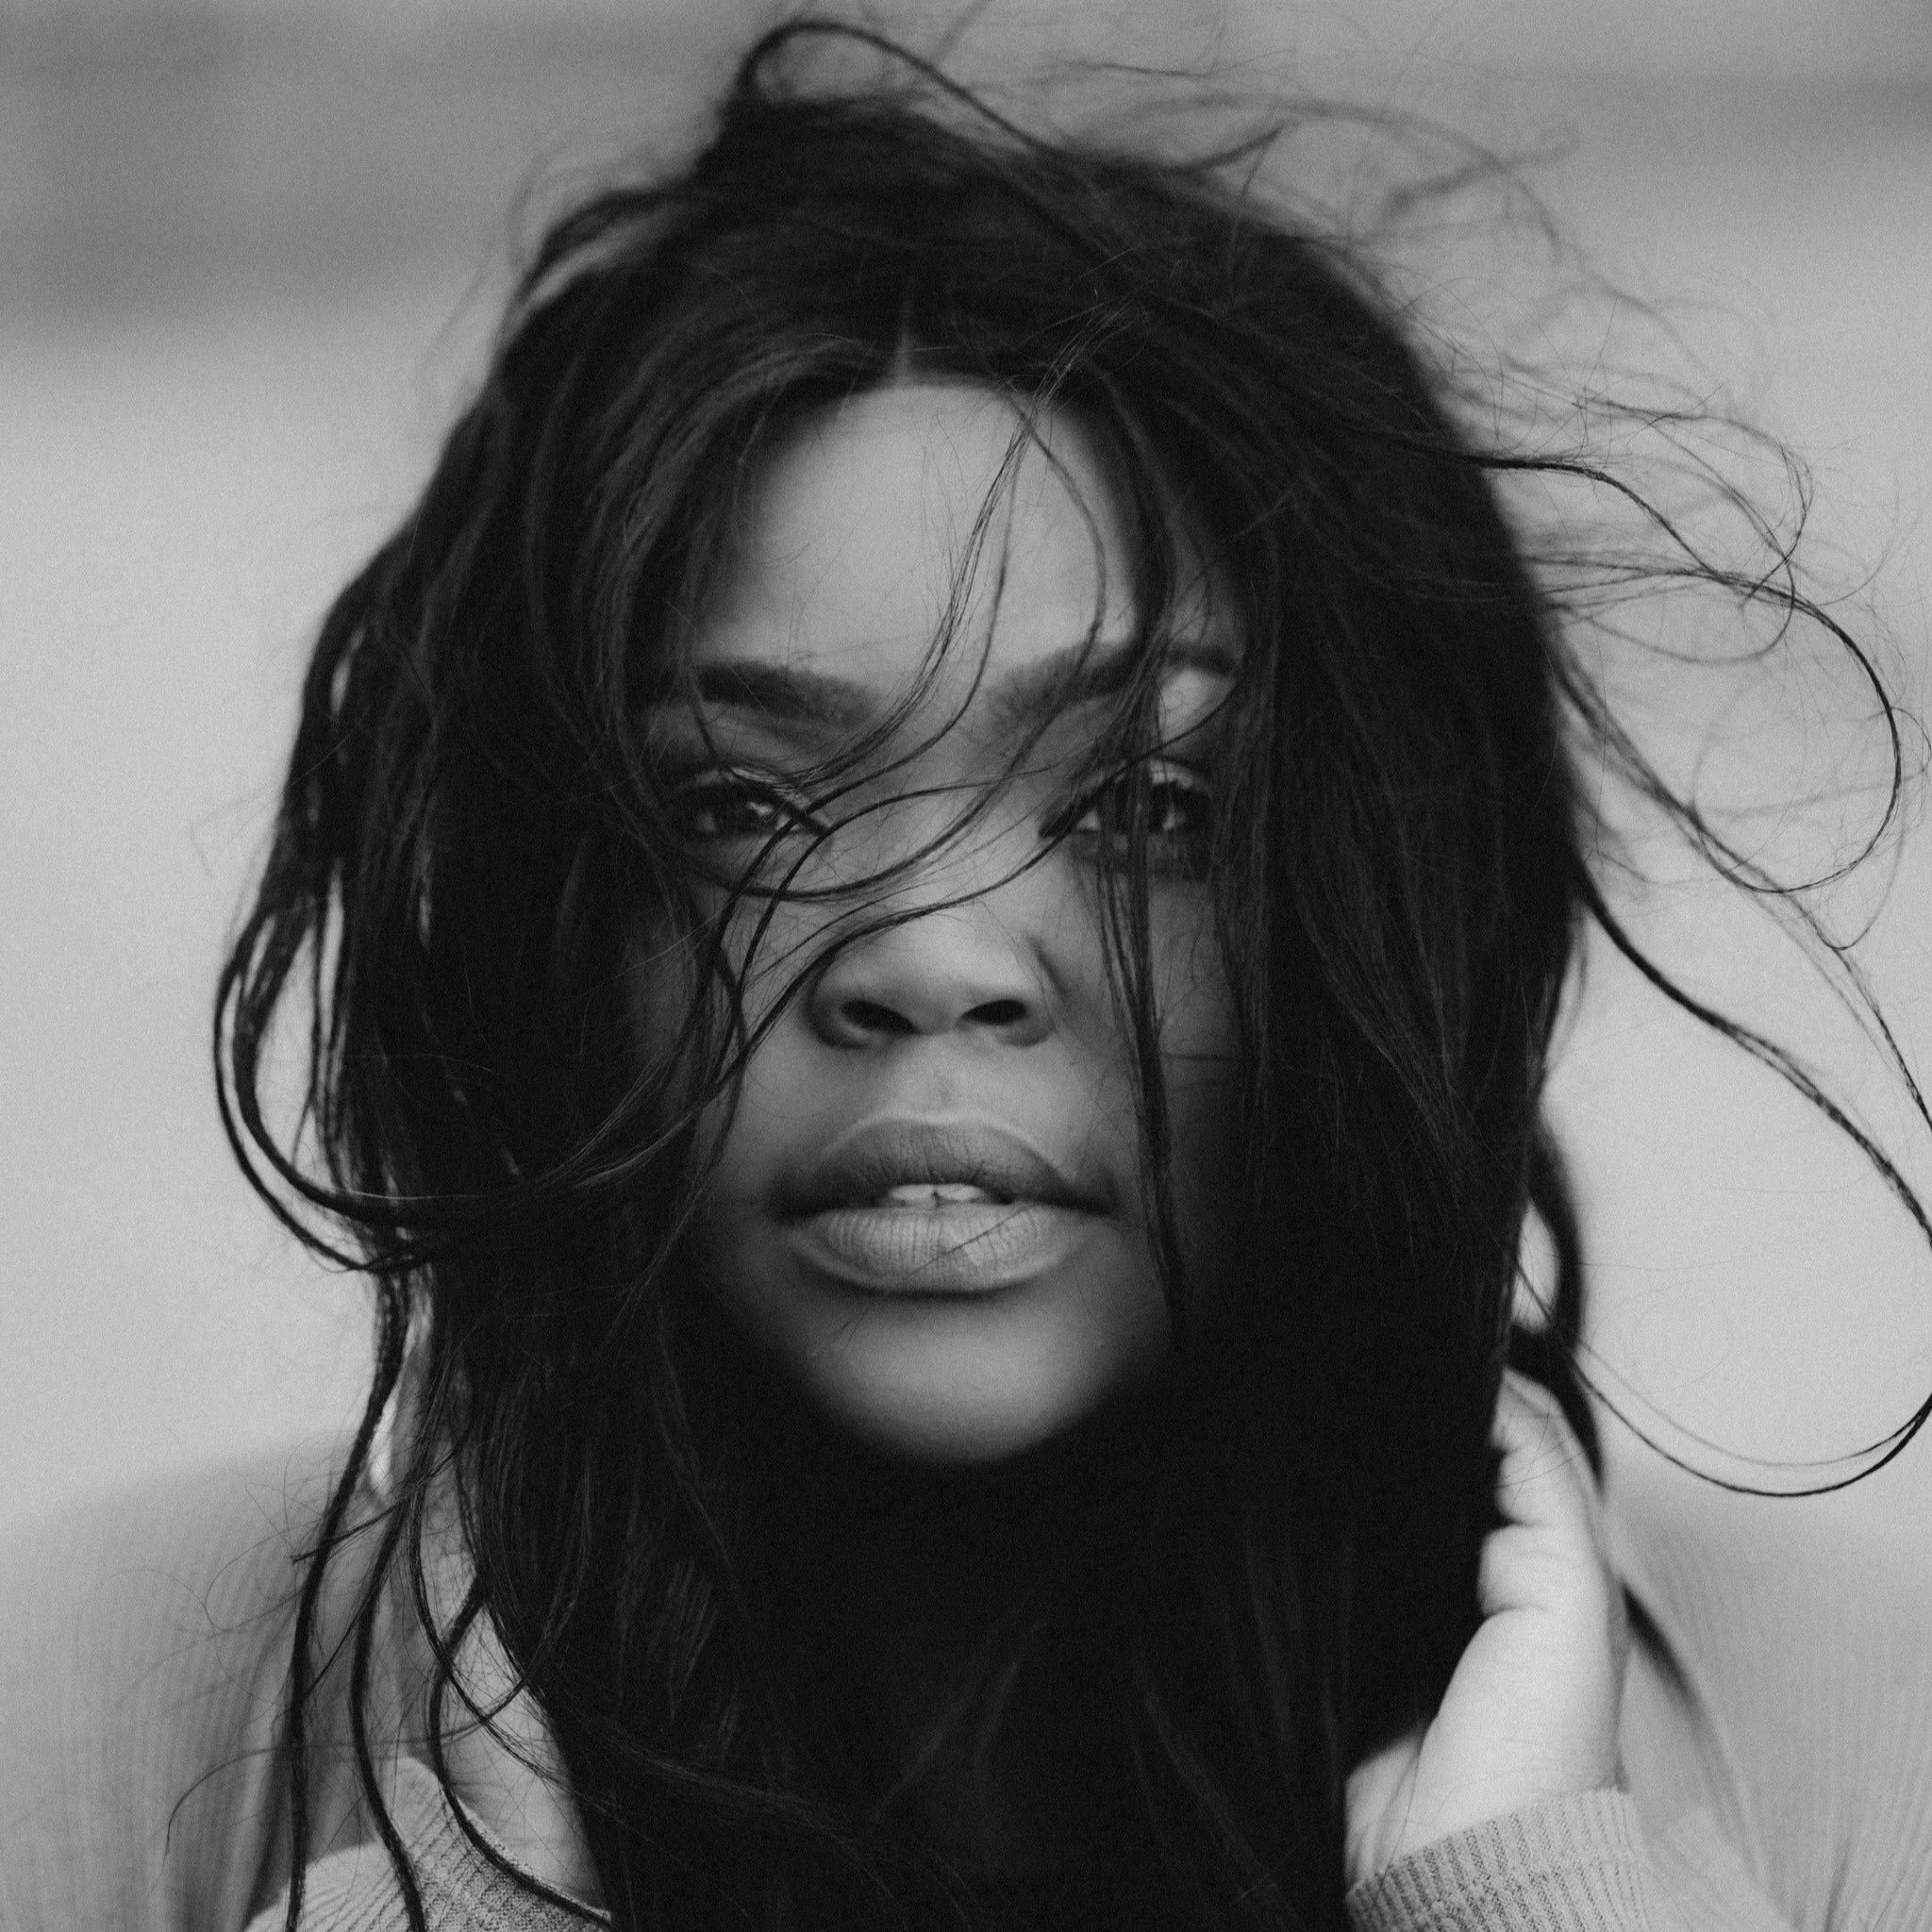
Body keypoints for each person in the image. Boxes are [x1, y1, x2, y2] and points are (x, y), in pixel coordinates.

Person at [3, 22, 1928, 1932]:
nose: (929, 964)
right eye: (740, 805)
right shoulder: (93, 1719)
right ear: (543, 912)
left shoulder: (1861, 1752)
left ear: (1389, 887)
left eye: (1149, 806)